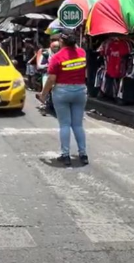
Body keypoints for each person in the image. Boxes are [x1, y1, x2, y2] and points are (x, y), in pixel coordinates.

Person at [37, 29, 88, 167]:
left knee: (65, 124)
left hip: (62, 91)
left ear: (61, 41)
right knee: (77, 125)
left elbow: (51, 79)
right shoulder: (82, 53)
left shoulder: (57, 57)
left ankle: (65, 155)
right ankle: (83, 154)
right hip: (80, 90)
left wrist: (43, 95)